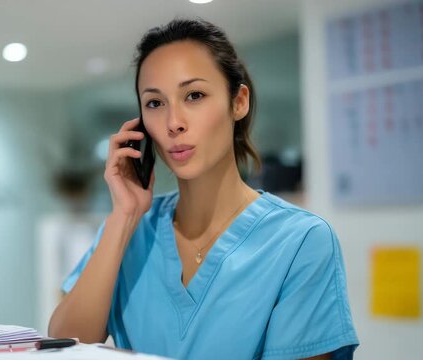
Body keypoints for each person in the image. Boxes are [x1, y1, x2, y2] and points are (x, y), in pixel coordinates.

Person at [48, 19, 359, 359]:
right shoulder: (131, 229)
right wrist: (124, 216)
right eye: (155, 103)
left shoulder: (301, 240)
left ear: (238, 102)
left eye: (194, 95)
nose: (173, 123)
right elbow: (66, 345)